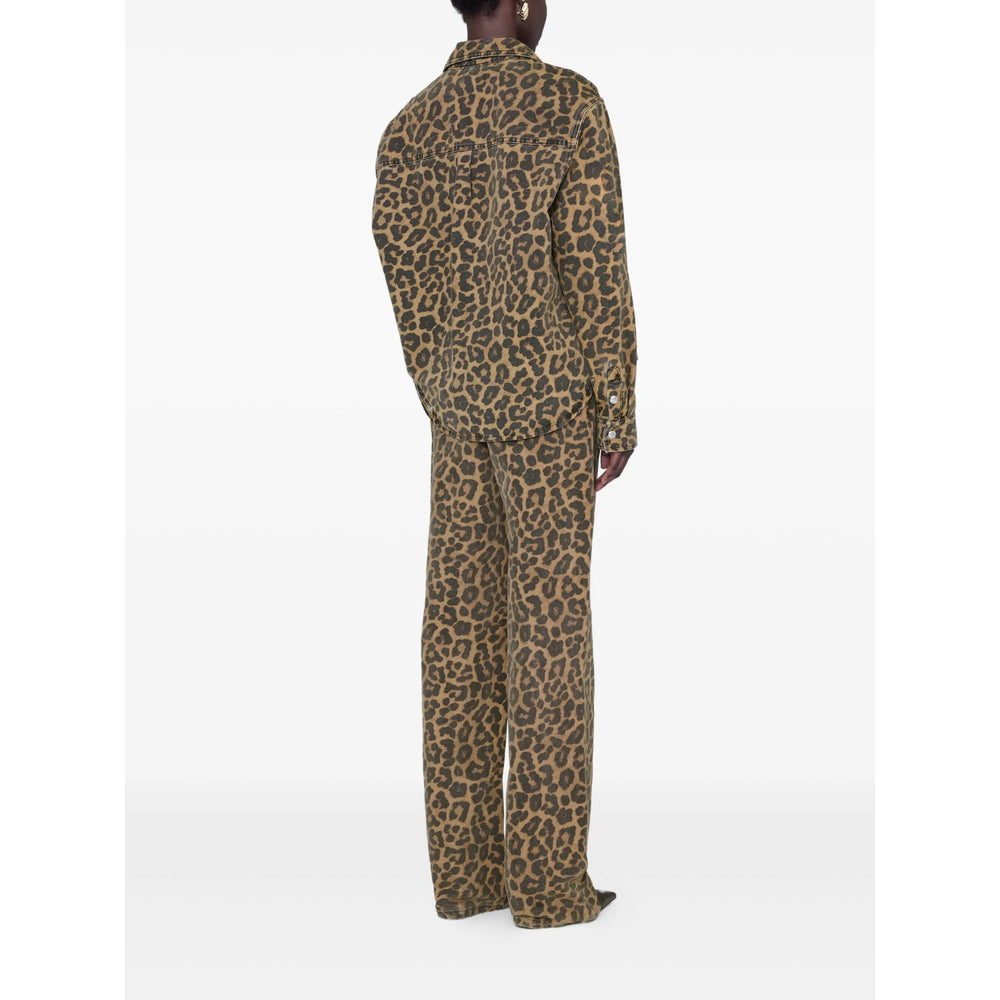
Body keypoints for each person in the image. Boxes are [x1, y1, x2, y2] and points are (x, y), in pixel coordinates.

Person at [371, 0, 639, 929]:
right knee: (549, 638)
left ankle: (468, 879)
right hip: (551, 407)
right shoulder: (569, 105)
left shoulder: (411, 127)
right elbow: (595, 264)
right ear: (522, 4)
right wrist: (617, 405)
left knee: (458, 637)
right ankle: (548, 889)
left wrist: (439, 378)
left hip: (459, 413)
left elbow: (402, 268)